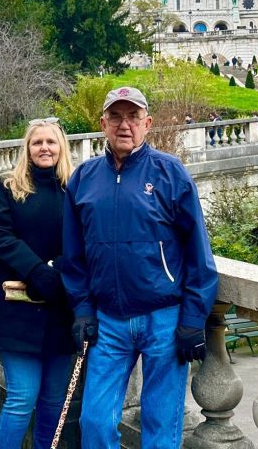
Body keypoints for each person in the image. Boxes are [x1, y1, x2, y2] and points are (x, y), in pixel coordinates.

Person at [62, 86, 218, 449]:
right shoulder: (83, 179)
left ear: (147, 124)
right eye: (115, 116)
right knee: (95, 422)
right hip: (108, 322)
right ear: (103, 124)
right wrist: (82, 309)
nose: (124, 124)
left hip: (163, 319)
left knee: (160, 425)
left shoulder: (169, 172)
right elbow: (72, 257)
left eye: (133, 116)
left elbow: (198, 252)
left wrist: (194, 319)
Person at [0, 119, 75, 449]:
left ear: (61, 147)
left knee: (52, 402)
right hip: (17, 309)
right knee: (21, 398)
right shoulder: (9, 187)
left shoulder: (75, 189)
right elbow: (0, 235)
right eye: (37, 142)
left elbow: (86, 241)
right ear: (27, 148)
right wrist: (36, 271)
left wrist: (59, 271)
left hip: (61, 310)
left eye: (51, 142)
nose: (45, 148)